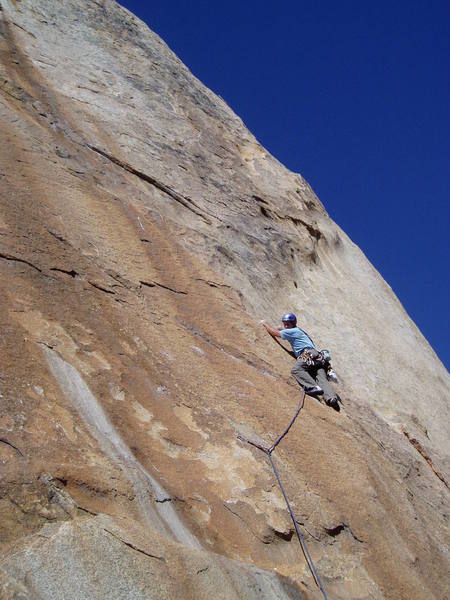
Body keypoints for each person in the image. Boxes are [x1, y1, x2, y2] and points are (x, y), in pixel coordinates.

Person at [262, 313, 340, 410]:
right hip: (318, 358)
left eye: (288, 323)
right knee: (320, 377)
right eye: (284, 323)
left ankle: (313, 387)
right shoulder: (298, 330)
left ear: (293, 323)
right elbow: (283, 330)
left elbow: (275, 333)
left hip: (308, 354)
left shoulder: (292, 331)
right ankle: (331, 398)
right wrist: (281, 328)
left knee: (296, 369)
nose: (286, 325)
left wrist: (265, 324)